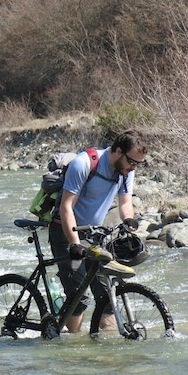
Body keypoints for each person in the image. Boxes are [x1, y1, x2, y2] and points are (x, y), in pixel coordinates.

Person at [49, 130, 148, 333]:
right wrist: (75, 243)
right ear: (118, 151)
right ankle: (70, 347)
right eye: (132, 162)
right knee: (80, 298)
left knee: (107, 298)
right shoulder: (84, 164)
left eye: (138, 164)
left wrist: (128, 219)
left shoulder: (126, 170)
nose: (134, 167)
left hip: (95, 235)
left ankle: (109, 355)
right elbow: (66, 207)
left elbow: (125, 201)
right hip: (66, 232)